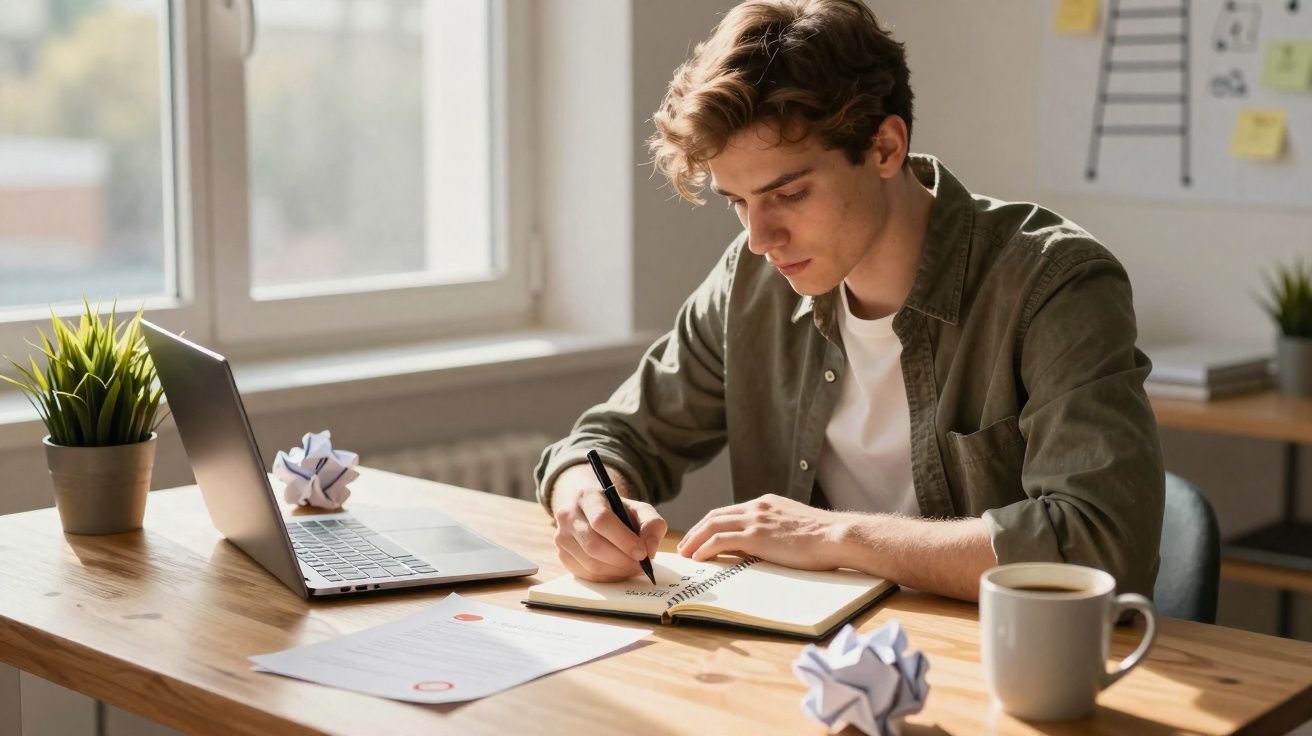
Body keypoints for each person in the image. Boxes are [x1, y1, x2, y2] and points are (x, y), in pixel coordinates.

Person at [534, 0, 1164, 602]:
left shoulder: (1053, 284)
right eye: (738, 203)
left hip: (996, 671)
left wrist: (837, 536)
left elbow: (1098, 542)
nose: (759, 239)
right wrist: (586, 496)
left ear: (886, 147)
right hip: (815, 671)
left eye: (789, 194)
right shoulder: (750, 283)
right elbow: (610, 439)